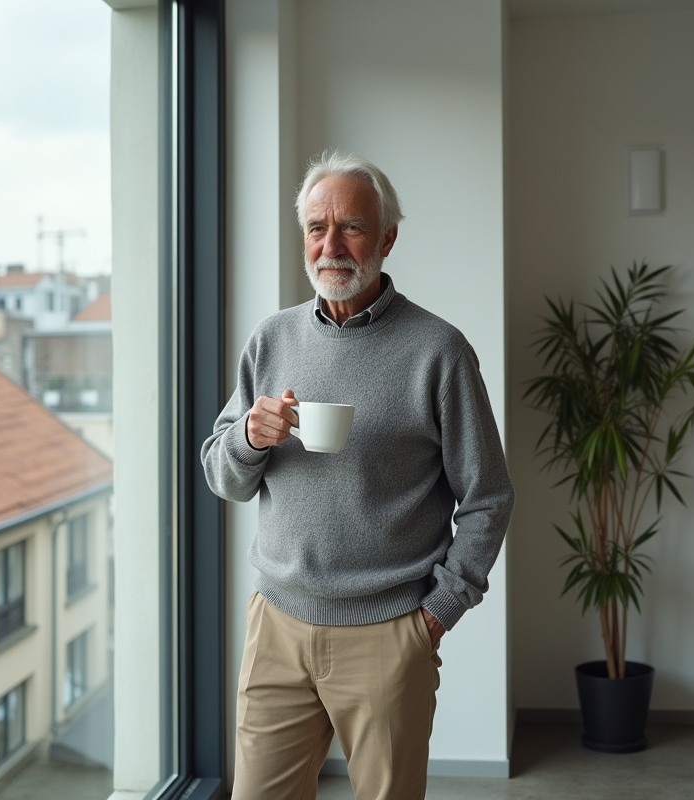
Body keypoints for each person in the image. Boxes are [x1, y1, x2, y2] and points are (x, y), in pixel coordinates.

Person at [201, 151, 514, 800]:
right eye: (317, 228)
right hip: (277, 625)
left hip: (389, 631)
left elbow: (487, 497)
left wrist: (436, 614)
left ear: (387, 238)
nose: (331, 246)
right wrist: (249, 438)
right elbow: (224, 478)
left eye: (352, 227)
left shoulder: (439, 350)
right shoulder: (270, 339)